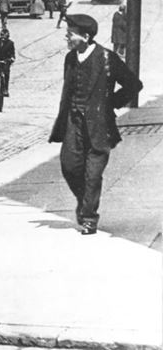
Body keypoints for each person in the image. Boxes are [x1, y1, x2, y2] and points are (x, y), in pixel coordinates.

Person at [50, 13, 142, 235]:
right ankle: (85, 201)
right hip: (74, 122)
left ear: (86, 36)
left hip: (99, 126)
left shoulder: (107, 58)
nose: (67, 37)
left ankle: (89, 216)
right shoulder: (70, 59)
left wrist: (110, 104)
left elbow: (133, 85)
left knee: (93, 173)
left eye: (70, 33)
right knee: (69, 165)